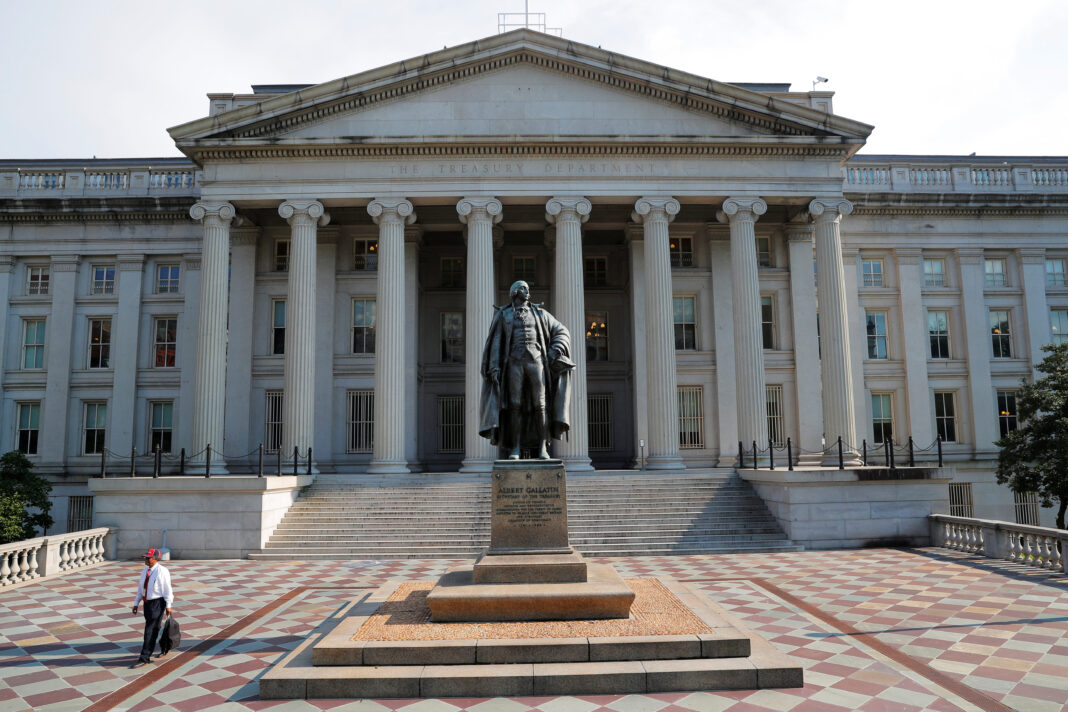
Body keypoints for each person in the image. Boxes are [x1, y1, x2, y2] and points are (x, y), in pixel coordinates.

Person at [479, 280, 574, 459]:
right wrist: (494, 366)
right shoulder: (503, 314)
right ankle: (515, 448)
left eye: (528, 288)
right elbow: (496, 341)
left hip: (536, 361)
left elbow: (562, 331)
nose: (527, 291)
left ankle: (542, 448)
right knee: (515, 405)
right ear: (514, 292)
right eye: (523, 288)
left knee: (541, 405)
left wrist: (555, 349)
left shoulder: (540, 314)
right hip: (514, 363)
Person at [130, 547, 173, 668]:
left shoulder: (162, 571)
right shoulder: (145, 571)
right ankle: (166, 647)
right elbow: (141, 588)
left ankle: (144, 657)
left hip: (158, 603)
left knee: (149, 630)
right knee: (155, 628)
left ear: (155, 559)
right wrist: (136, 602)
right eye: (146, 558)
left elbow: (167, 589)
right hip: (147, 603)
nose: (146, 560)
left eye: (149, 558)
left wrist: (169, 605)